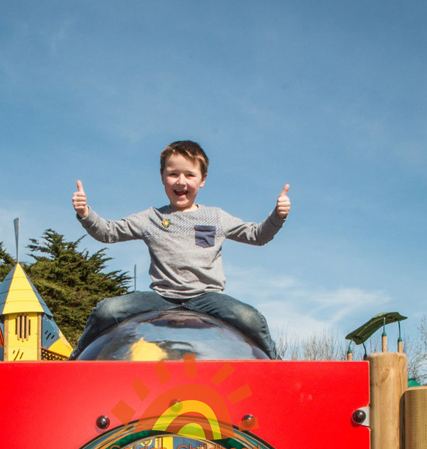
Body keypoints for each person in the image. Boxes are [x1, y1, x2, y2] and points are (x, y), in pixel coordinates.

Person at [70, 140, 290, 360]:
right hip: (163, 296)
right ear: (162, 177)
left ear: (202, 179)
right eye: (173, 174)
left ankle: (278, 367)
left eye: (189, 175)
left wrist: (277, 216)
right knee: (106, 311)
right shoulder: (152, 218)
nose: (181, 181)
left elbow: (257, 235)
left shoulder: (215, 217)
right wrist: (85, 213)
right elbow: (109, 232)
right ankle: (74, 361)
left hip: (207, 297)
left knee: (250, 318)